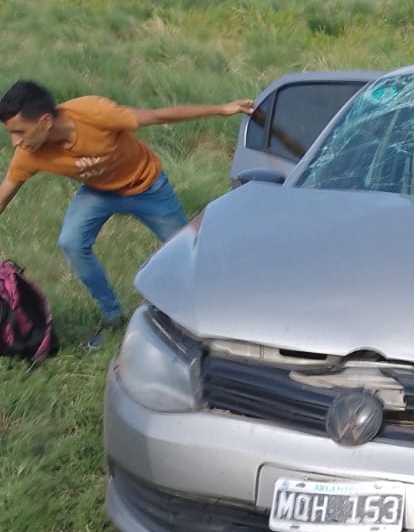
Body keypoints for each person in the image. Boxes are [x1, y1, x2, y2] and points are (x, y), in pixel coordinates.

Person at [0, 79, 253, 348]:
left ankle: (222, 310)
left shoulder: (95, 113)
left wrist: (222, 109)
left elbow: (158, 116)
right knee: (71, 242)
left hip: (148, 187)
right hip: (100, 193)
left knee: (188, 251)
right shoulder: (29, 153)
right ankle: (112, 316)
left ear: (46, 121)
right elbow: (4, 194)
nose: (15, 142)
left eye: (20, 132)